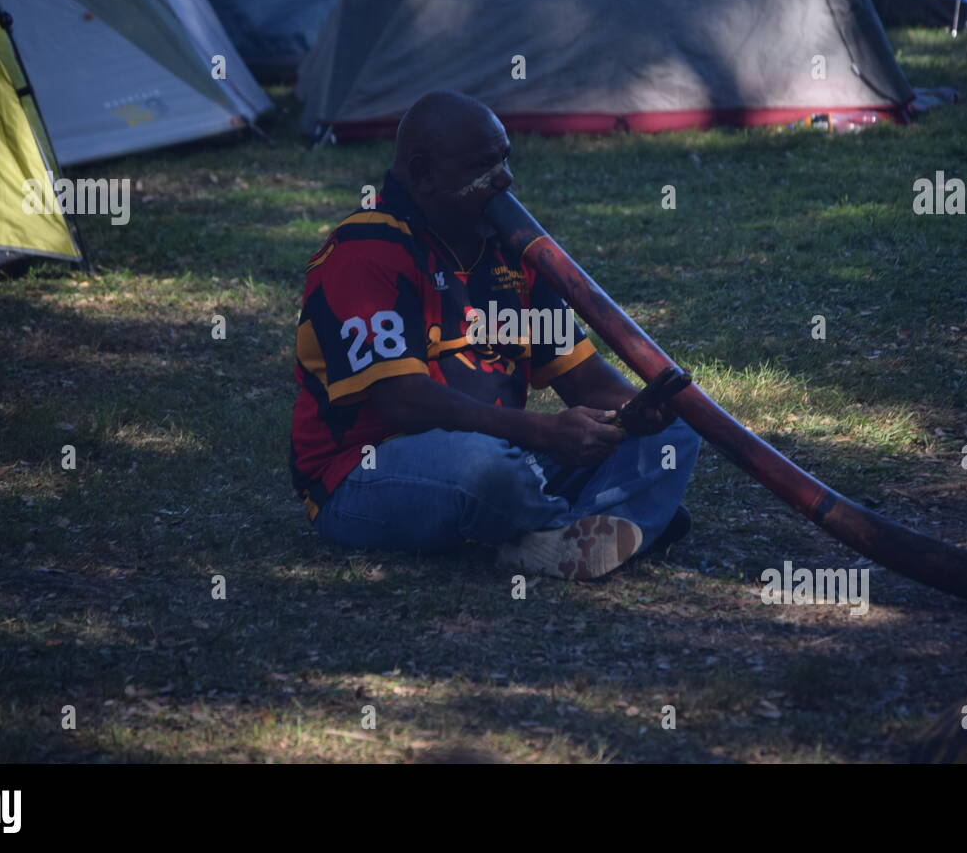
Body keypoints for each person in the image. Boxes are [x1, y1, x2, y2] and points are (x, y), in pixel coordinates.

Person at [289, 91, 701, 579]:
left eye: (505, 159)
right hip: (364, 476)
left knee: (678, 425)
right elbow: (403, 403)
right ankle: (587, 526)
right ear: (424, 174)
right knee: (487, 467)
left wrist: (648, 406)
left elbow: (585, 380)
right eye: (484, 166)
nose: (505, 178)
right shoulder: (366, 250)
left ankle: (564, 534)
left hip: (505, 450)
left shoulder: (508, 251)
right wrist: (542, 430)